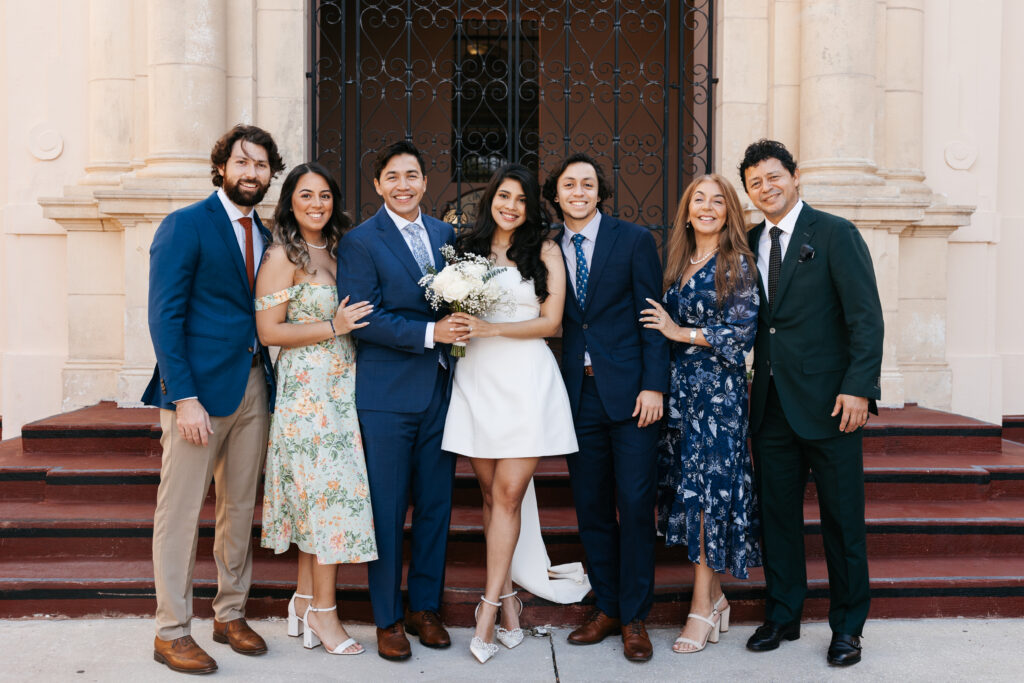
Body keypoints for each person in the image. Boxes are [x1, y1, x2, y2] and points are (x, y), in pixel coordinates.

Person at [143, 124, 285, 674]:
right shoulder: (185, 225)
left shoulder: (269, 235)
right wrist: (184, 398)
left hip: (254, 384)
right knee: (179, 513)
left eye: (261, 165)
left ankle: (230, 613)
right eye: (242, 163)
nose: (252, 174)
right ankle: (171, 629)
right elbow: (164, 316)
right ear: (221, 167)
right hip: (197, 393)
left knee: (239, 507)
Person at [739, 139, 883, 667]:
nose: (766, 187)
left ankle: (848, 628)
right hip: (770, 404)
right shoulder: (749, 240)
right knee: (777, 517)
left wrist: (860, 388)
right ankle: (783, 614)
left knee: (843, 521)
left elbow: (865, 317)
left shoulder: (835, 233)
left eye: (774, 176)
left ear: (795, 177)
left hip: (832, 403)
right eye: (755, 182)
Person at [440, 164, 580, 664]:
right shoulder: (465, 253)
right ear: (491, 199)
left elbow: (552, 321)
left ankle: (487, 606)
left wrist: (492, 329)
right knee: (488, 493)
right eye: (504, 196)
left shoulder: (544, 251)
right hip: (477, 379)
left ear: (530, 208)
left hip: (524, 381)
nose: (512, 206)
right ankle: (510, 604)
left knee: (507, 493)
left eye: (521, 200)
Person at [543, 153, 669, 662]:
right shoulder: (547, 246)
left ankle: (636, 617)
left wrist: (654, 386)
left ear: (600, 192)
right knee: (592, 507)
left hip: (632, 393)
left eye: (587, 184)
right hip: (577, 393)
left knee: (636, 505)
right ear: (556, 195)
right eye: (569, 184)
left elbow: (652, 317)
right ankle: (609, 607)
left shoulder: (634, 240)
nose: (578, 191)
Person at [336, 141, 458, 662]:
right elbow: (365, 318)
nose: (403, 185)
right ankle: (387, 618)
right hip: (386, 397)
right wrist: (433, 332)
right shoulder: (361, 242)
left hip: (442, 391)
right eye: (393, 177)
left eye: (412, 175)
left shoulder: (446, 235)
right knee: (387, 509)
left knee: (435, 505)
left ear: (425, 182)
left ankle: (424, 608)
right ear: (378, 185)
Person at [254, 163, 377, 656]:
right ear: (290, 202)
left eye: (325, 195)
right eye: (306, 195)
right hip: (307, 396)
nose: (317, 203)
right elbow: (269, 332)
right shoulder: (284, 254)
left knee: (319, 501)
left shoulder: (341, 248)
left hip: (342, 390)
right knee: (328, 501)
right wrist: (334, 326)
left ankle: (304, 599)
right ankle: (325, 615)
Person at [640, 174, 761, 654]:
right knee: (687, 495)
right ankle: (719, 598)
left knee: (708, 496)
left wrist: (679, 332)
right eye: (698, 200)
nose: (707, 208)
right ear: (687, 210)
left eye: (717, 201)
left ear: (729, 211)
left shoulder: (738, 262)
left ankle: (701, 607)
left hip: (717, 400)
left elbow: (740, 336)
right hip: (678, 398)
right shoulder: (675, 261)